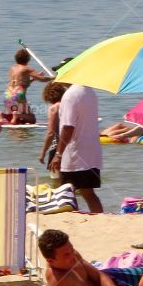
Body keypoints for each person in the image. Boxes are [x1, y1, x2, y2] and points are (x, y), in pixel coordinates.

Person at [38, 227, 122, 286]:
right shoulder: (58, 280)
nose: (73, 255)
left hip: (111, 285)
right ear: (51, 261)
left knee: (140, 274)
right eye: (66, 255)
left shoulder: (73, 255)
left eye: (72, 249)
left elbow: (98, 275)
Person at [50, 83, 104, 214]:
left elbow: (68, 127)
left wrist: (58, 154)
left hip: (76, 152)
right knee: (88, 192)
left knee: (65, 191)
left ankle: (68, 219)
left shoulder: (70, 95)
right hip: (91, 152)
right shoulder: (89, 91)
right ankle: (99, 217)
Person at [0, 48, 50, 123]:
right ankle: (17, 115)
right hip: (19, 94)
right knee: (32, 119)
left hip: (8, 93)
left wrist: (33, 79)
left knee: (18, 113)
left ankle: (3, 115)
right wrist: (54, 78)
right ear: (28, 59)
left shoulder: (12, 68)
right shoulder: (27, 68)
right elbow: (42, 79)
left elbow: (21, 82)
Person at [38, 81, 67, 169]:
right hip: (69, 146)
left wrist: (43, 152)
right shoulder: (69, 105)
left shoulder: (54, 108)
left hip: (57, 147)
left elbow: (51, 133)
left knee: (56, 179)